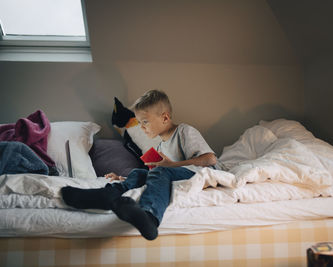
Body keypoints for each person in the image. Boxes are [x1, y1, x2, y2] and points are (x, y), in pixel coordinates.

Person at [61, 90, 217, 240]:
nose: (142, 127)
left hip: (200, 175)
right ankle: (109, 194)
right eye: (140, 122)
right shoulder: (161, 145)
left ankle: (149, 216)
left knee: (161, 171)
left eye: (145, 122)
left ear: (164, 118)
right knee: (138, 172)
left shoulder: (185, 131)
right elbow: (155, 174)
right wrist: (122, 178)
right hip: (175, 174)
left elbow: (210, 159)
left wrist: (172, 165)